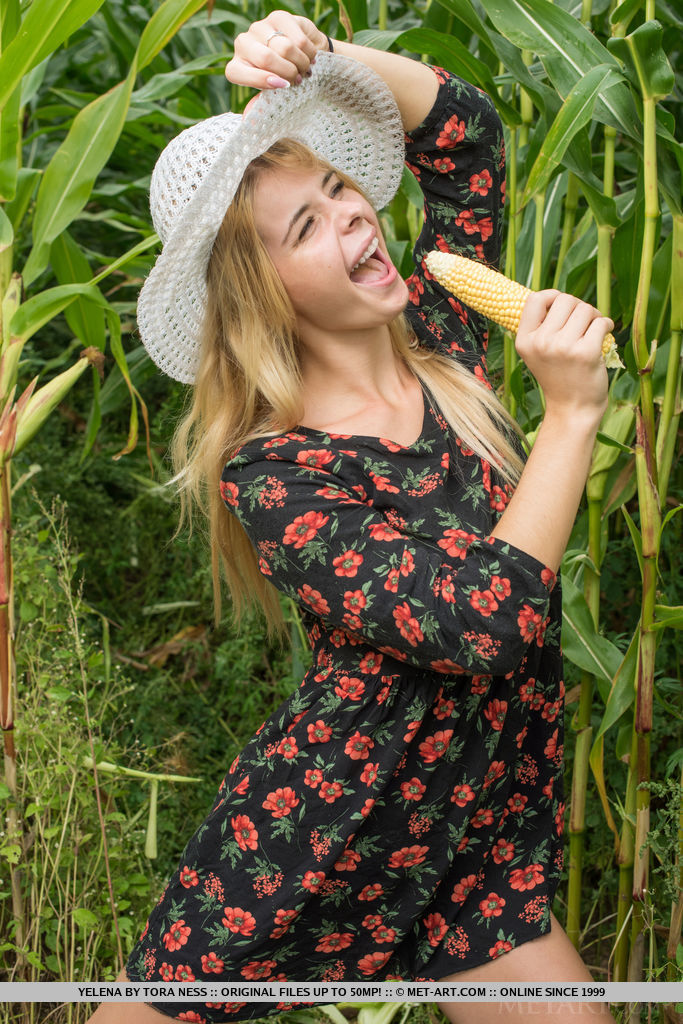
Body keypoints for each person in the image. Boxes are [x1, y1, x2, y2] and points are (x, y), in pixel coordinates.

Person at [89, 11, 618, 1024]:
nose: (354, 219)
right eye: (305, 226)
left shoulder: (445, 339)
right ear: (262, 293)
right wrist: (570, 414)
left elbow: (464, 137)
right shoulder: (276, 474)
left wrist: (322, 60)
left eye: (340, 188)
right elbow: (479, 623)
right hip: (318, 834)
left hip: (473, 840)